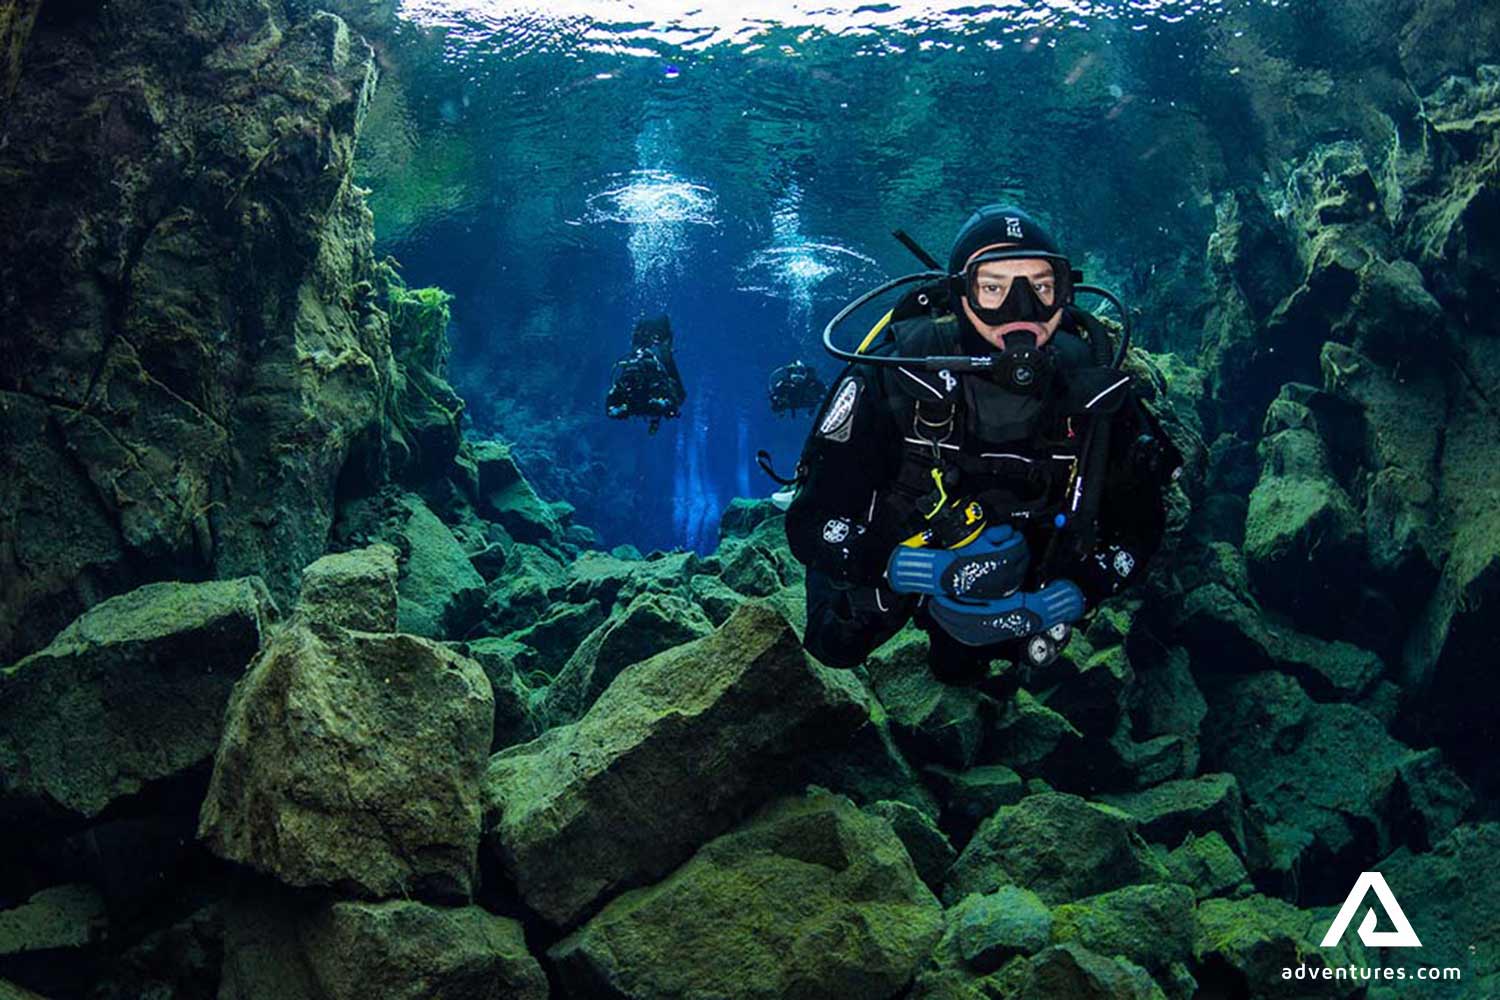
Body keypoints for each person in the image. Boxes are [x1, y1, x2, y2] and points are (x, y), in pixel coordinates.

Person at [784, 204, 1181, 696]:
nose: (1022, 311)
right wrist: (909, 569)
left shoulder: (1093, 390)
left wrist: (1077, 591)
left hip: (1024, 574)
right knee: (835, 643)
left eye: (1041, 287)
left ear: (1065, 292)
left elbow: (1143, 526)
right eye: (993, 289)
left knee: (963, 669)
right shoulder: (893, 376)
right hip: (899, 551)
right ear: (960, 294)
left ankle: (965, 655)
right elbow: (810, 524)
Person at [605, 314, 687, 434]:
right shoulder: (628, 385)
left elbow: (670, 400)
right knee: (679, 396)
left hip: (652, 384)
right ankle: (654, 341)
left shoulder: (647, 382)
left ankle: (645, 335)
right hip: (652, 391)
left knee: (678, 396)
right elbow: (611, 405)